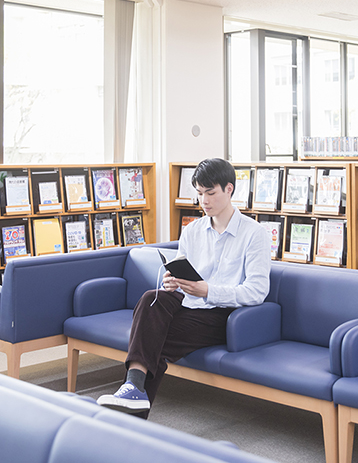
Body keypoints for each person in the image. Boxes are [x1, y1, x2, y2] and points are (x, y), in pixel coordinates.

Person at [97, 158, 271, 416]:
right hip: (188, 303)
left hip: (222, 314)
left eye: (211, 193)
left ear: (229, 189)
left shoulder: (255, 234)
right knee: (149, 298)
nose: (205, 201)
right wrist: (173, 282)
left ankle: (132, 396)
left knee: (152, 337)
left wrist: (208, 290)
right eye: (200, 194)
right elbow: (182, 274)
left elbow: (257, 291)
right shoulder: (192, 231)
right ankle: (133, 390)